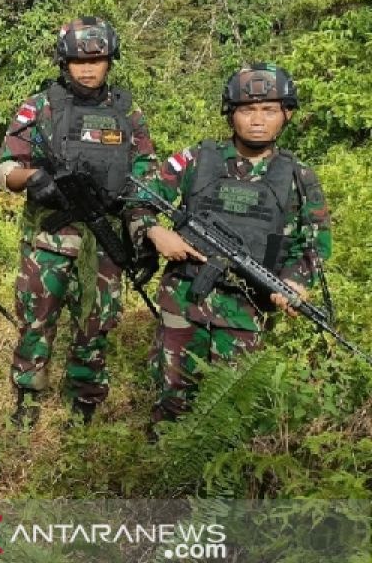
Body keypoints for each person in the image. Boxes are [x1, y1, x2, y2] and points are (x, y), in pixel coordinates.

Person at [134, 64, 331, 426]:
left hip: (248, 304)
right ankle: (164, 472)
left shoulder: (299, 178)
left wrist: (295, 282)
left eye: (269, 110)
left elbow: (314, 241)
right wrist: (154, 231)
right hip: (185, 296)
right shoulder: (196, 160)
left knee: (231, 407)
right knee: (173, 397)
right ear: (231, 114)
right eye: (247, 110)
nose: (258, 120)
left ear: (286, 114)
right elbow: (140, 197)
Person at [0, 17, 156, 427]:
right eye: (77, 61)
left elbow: (145, 175)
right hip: (49, 239)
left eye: (97, 60)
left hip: (105, 240)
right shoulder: (42, 106)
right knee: (37, 319)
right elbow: (5, 167)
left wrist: (142, 230)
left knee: (97, 321)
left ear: (109, 61)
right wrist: (34, 178)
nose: (87, 68)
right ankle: (28, 399)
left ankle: (85, 400)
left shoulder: (126, 111)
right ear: (63, 62)